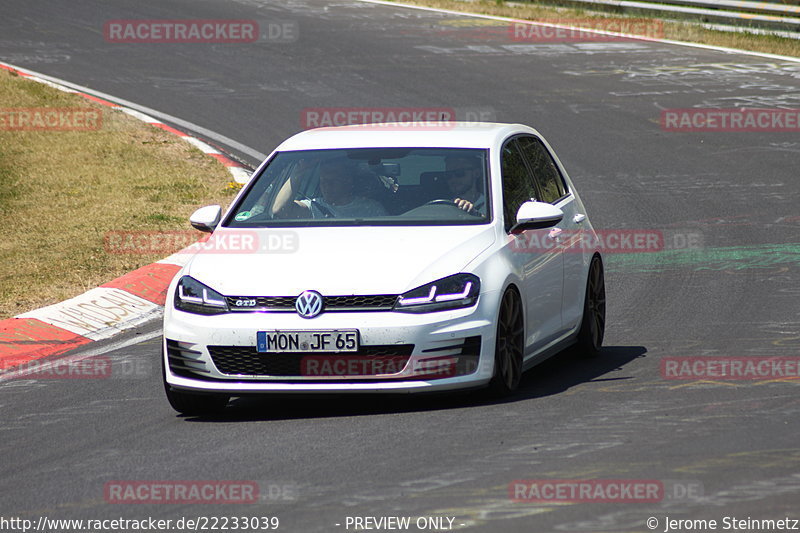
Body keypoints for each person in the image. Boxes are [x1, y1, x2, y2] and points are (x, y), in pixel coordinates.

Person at [276, 158, 387, 219]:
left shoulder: (371, 209)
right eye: (323, 180)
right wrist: (299, 172)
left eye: (333, 180)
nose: (326, 185)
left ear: (347, 181)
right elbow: (279, 210)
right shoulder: (313, 208)